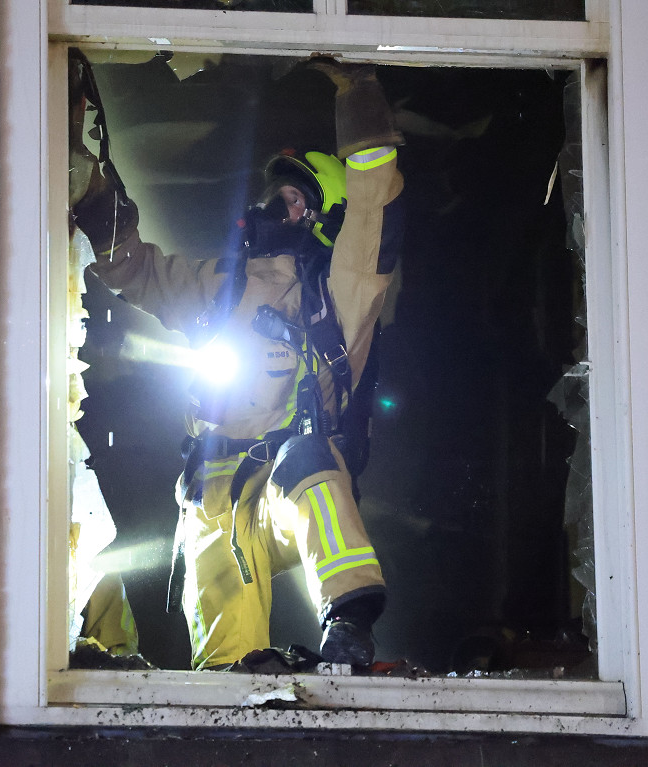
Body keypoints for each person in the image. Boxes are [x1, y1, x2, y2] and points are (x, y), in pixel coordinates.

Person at [68, 49, 404, 670]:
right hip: (209, 490)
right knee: (225, 670)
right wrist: (89, 195)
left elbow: (376, 206)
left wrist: (358, 92)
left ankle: (350, 622)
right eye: (273, 194)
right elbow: (136, 271)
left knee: (310, 469)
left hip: (288, 479)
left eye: (295, 200)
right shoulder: (220, 285)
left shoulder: (338, 293)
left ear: (324, 219)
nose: (276, 208)